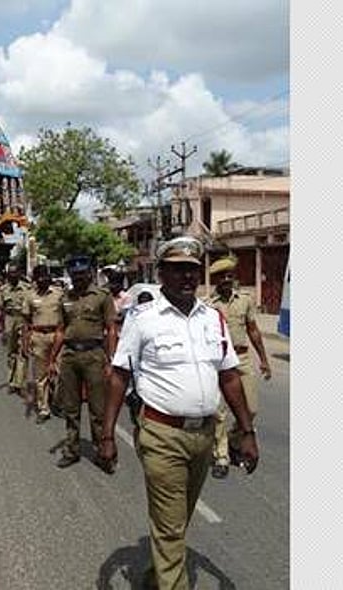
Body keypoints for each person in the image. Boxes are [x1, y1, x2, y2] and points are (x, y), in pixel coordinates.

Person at [98, 236, 259, 590]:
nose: (188, 277)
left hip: (203, 435)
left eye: (193, 270)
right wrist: (107, 435)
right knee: (171, 527)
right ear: (162, 273)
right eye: (179, 270)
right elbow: (119, 376)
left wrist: (246, 431)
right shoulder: (143, 319)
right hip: (161, 434)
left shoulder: (213, 319)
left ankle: (157, 578)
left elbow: (229, 376)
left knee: (177, 520)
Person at [204, 255, 273, 479]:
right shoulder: (208, 306)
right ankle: (221, 455)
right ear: (216, 280)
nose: (226, 279)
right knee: (219, 412)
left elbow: (253, 330)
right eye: (222, 276)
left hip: (242, 359)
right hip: (219, 361)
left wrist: (264, 359)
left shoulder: (245, 299)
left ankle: (235, 439)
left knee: (250, 408)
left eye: (229, 275)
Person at [48, 255, 117, 469]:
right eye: (74, 275)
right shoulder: (65, 298)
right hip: (69, 355)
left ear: (89, 273)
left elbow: (111, 329)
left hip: (94, 355)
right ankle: (72, 450)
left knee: (98, 408)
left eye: (82, 274)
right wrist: (52, 359)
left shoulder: (102, 296)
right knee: (71, 407)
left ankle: (102, 451)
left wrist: (111, 360)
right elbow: (61, 330)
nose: (78, 278)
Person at [22, 264, 64, 423]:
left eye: (44, 276)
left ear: (49, 277)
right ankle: (43, 408)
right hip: (38, 337)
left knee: (60, 373)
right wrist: (25, 342)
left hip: (57, 336)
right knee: (41, 377)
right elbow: (26, 321)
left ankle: (57, 402)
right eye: (38, 277)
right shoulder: (30, 296)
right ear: (34, 280)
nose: (42, 280)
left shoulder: (59, 294)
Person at [0, 265, 30, 396]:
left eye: (15, 272)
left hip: (23, 319)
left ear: (19, 273)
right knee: (11, 352)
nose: (13, 275)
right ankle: (11, 381)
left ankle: (20, 382)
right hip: (9, 319)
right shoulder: (3, 289)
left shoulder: (27, 288)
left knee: (23, 351)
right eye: (10, 273)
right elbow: (1, 308)